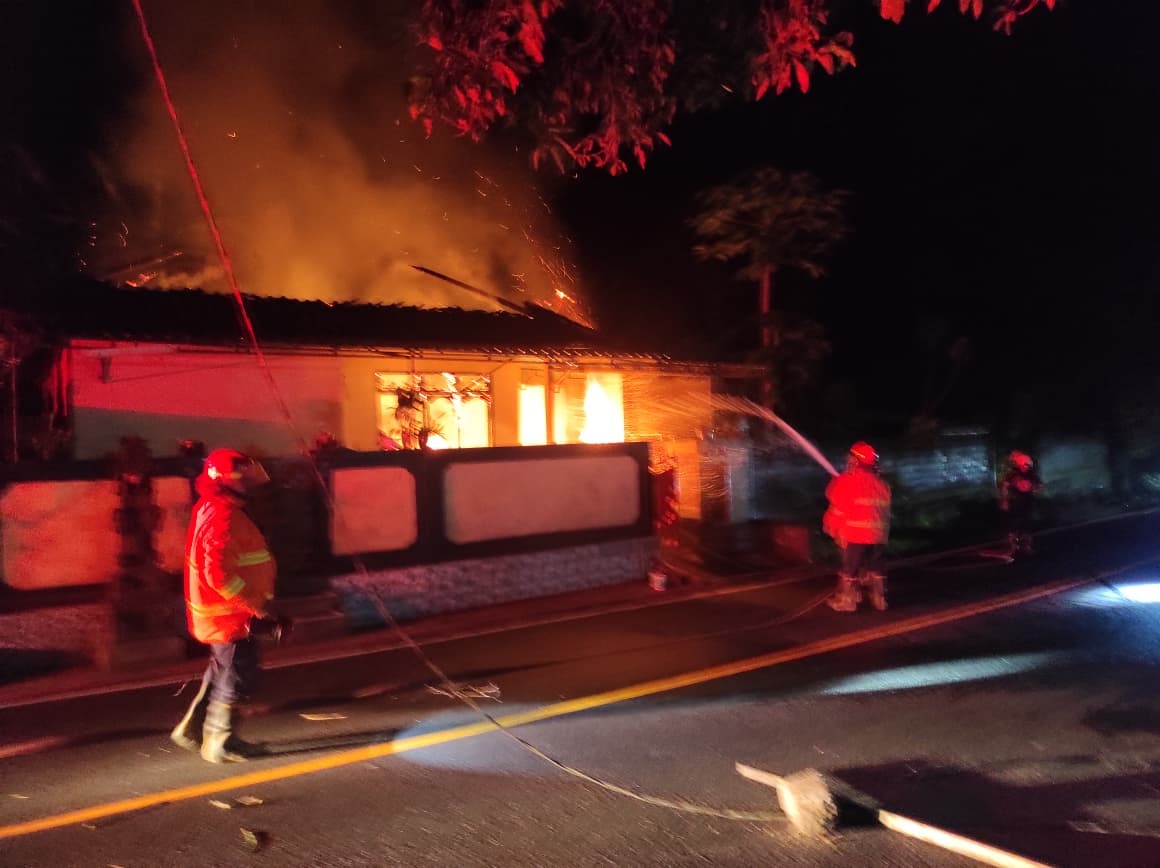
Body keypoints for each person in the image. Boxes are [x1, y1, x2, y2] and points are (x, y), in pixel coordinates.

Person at [170, 448, 279, 763]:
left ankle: (192, 729)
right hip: (230, 617)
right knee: (236, 676)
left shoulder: (214, 508)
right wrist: (259, 606)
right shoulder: (223, 514)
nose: (250, 486)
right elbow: (217, 574)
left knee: (222, 673)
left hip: (224, 615)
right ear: (227, 481)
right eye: (243, 479)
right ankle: (222, 741)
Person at [822, 441, 892, 612]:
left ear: (855, 460)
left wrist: (830, 527)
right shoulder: (882, 485)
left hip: (855, 535)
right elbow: (884, 512)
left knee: (850, 568)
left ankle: (847, 601)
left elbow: (837, 508)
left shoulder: (848, 481)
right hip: (878, 535)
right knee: (875, 566)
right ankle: (879, 599)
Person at [999, 450, 1042, 556]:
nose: (1028, 466)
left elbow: (1039, 485)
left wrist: (1034, 489)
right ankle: (1013, 547)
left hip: (1027, 502)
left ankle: (1026, 546)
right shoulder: (1013, 474)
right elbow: (1004, 486)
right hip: (1015, 502)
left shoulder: (1031, 474)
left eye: (1028, 464)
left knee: (1027, 525)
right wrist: (1004, 500)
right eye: (1026, 464)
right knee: (1013, 525)